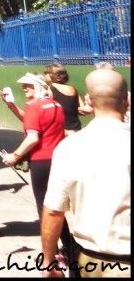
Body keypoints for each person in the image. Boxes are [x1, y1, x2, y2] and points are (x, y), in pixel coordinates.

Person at [39, 68, 131, 278]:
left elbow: (53, 211)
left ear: (88, 100)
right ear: (126, 100)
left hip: (90, 261)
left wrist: (49, 260)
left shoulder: (68, 148)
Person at [1, 73, 66, 217]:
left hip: (41, 161)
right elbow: (32, 121)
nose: (24, 88)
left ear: (38, 86)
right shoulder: (55, 104)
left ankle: (51, 239)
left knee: (44, 205)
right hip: (58, 158)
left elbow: (32, 138)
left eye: (28, 85)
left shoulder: (34, 107)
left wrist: (15, 156)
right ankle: (68, 240)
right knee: (55, 203)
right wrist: (11, 105)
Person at [44, 64, 84, 136]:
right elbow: (82, 110)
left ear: (52, 75)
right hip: (76, 128)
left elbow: (47, 111)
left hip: (61, 130)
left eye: (46, 73)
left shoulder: (51, 88)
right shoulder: (73, 88)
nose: (45, 76)